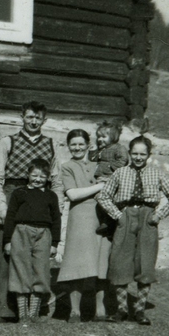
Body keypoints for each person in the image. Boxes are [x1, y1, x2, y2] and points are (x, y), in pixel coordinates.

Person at [96, 136, 169, 326]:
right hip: (125, 217)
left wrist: (158, 215)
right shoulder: (120, 173)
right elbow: (103, 196)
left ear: (148, 155)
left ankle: (140, 310)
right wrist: (117, 215)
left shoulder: (156, 174)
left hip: (147, 219)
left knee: (145, 263)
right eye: (134, 153)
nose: (138, 157)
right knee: (120, 261)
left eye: (142, 154)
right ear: (129, 153)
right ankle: (121, 310)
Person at [0, 102, 61, 322]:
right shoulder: (8, 141)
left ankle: (31, 309)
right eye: (29, 117)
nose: (33, 121)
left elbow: (56, 179)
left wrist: (57, 206)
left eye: (38, 118)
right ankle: (4, 308)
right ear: (22, 117)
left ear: (44, 121)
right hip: (12, 196)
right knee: (7, 254)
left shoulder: (50, 144)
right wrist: (0, 205)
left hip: (39, 200)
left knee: (35, 258)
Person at [56, 129, 111, 322]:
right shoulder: (67, 167)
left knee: (100, 262)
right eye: (73, 144)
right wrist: (99, 187)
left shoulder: (99, 164)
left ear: (89, 145)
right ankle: (75, 310)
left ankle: (100, 309)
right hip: (79, 217)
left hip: (101, 216)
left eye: (81, 144)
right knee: (77, 263)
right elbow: (72, 194)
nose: (77, 147)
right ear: (68, 146)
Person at [3, 158, 62, 323]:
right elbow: (10, 217)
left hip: (44, 234)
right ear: (28, 174)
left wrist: (54, 243)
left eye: (42, 176)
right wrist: (7, 240)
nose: (37, 179)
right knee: (20, 270)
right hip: (21, 232)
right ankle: (23, 315)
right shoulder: (19, 193)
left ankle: (33, 313)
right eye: (34, 175)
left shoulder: (51, 196)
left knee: (41, 271)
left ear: (48, 178)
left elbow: (56, 219)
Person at [89, 121, 128, 236]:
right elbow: (93, 159)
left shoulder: (118, 148)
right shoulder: (102, 149)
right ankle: (107, 221)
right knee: (101, 199)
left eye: (104, 137)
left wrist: (111, 166)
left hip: (110, 178)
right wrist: (93, 149)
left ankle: (109, 221)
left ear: (113, 137)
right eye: (99, 137)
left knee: (105, 198)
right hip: (101, 178)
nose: (100, 139)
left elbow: (123, 160)